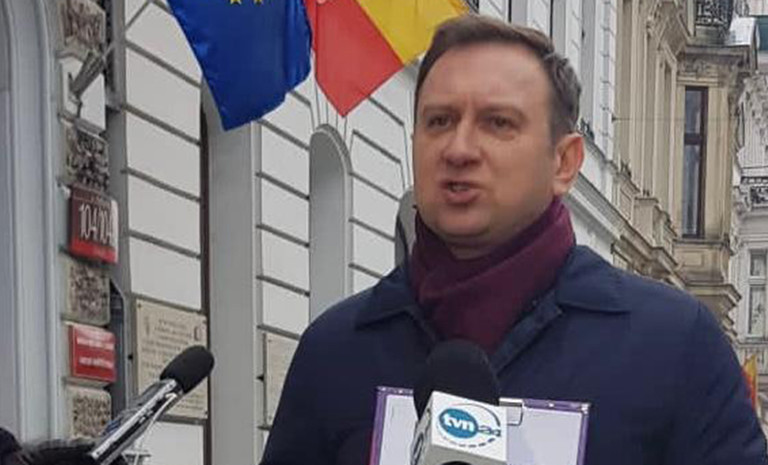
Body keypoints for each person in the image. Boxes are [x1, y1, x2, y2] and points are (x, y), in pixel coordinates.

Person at [261, 14, 768, 465]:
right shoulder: (336, 349)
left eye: (497, 123)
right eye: (439, 121)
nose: (459, 148)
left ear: (564, 162)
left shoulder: (673, 345)